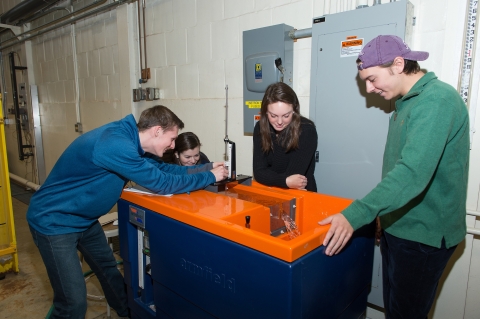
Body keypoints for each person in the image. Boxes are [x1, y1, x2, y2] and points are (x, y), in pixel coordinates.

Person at [27, 105, 228, 319]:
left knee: (108, 270)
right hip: (55, 222)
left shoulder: (130, 141)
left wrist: (206, 168)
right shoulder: (116, 144)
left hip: (84, 220)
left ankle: (127, 312)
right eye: (171, 139)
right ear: (157, 131)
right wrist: (210, 178)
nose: (172, 145)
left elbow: (164, 169)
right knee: (73, 302)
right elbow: (162, 183)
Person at [318, 35, 469, 319]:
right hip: (399, 227)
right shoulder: (406, 103)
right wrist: (382, 217)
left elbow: (412, 174)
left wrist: (357, 214)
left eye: (373, 79)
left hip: (423, 235)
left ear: (398, 64)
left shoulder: (436, 100)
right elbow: (397, 173)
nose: (369, 88)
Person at [253, 82, 318, 191]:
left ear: (294, 110)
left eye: (286, 116)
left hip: (301, 197)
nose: (279, 122)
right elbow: (259, 172)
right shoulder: (260, 127)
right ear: (265, 112)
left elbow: (295, 178)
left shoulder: (307, 131)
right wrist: (286, 181)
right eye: (273, 116)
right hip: (272, 192)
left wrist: (270, 176)